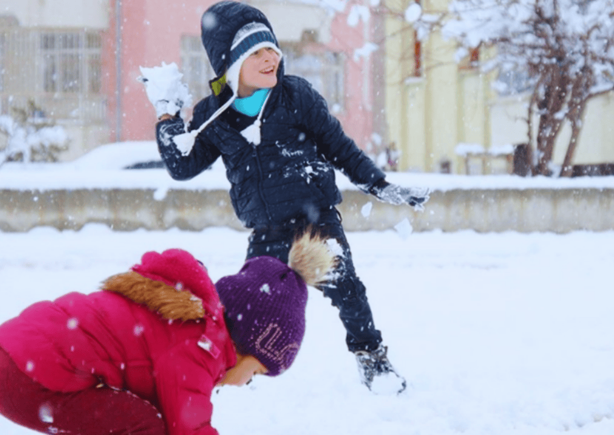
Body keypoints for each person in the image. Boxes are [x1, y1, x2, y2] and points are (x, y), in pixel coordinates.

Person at [141, 0, 428, 393]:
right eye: (256, 52)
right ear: (231, 64)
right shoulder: (213, 115)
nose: (270, 58)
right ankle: (232, 368)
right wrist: (167, 116)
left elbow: (339, 147)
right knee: (245, 308)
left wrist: (379, 184)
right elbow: (182, 165)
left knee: (348, 291)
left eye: (271, 48)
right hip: (266, 230)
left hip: (316, 223)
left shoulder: (295, 96)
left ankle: (372, 359)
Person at [0, 232, 334, 435]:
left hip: (16, 357)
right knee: (144, 426)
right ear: (246, 343)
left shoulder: (189, 323)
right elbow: (188, 428)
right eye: (257, 372)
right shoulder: (200, 346)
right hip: (27, 378)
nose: (246, 382)